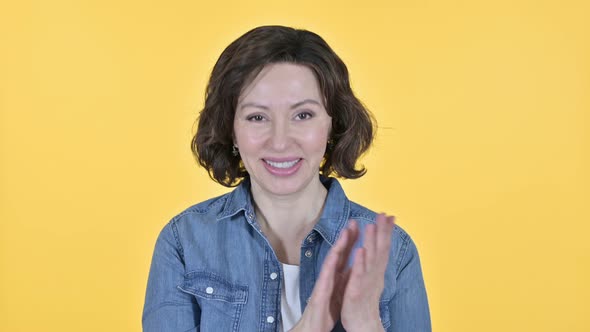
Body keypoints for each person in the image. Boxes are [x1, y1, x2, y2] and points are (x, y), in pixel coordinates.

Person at [142, 25, 431, 332]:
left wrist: (365, 324)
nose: (280, 142)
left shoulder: (395, 252)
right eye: (257, 117)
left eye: (303, 115)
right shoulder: (183, 242)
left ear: (333, 125)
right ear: (231, 130)